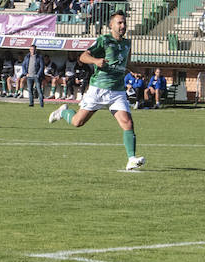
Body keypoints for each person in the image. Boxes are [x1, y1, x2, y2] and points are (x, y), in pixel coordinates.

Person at [47, 10, 145, 171]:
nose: (123, 25)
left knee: (128, 123)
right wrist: (96, 60)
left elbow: (126, 62)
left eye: (124, 22)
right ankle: (63, 112)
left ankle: (132, 159)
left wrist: (134, 70)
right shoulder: (103, 41)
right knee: (78, 122)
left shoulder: (127, 43)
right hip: (98, 89)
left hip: (117, 91)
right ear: (111, 25)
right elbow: (83, 57)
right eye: (119, 23)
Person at [22, 44, 46, 108]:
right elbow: (23, 65)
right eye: (31, 49)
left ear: (36, 50)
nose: (32, 50)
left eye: (33, 49)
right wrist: (25, 73)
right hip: (29, 76)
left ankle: (41, 104)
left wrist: (38, 74)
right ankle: (31, 103)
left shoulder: (39, 57)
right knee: (30, 90)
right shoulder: (27, 57)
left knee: (39, 90)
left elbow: (42, 66)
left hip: (36, 76)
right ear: (29, 50)